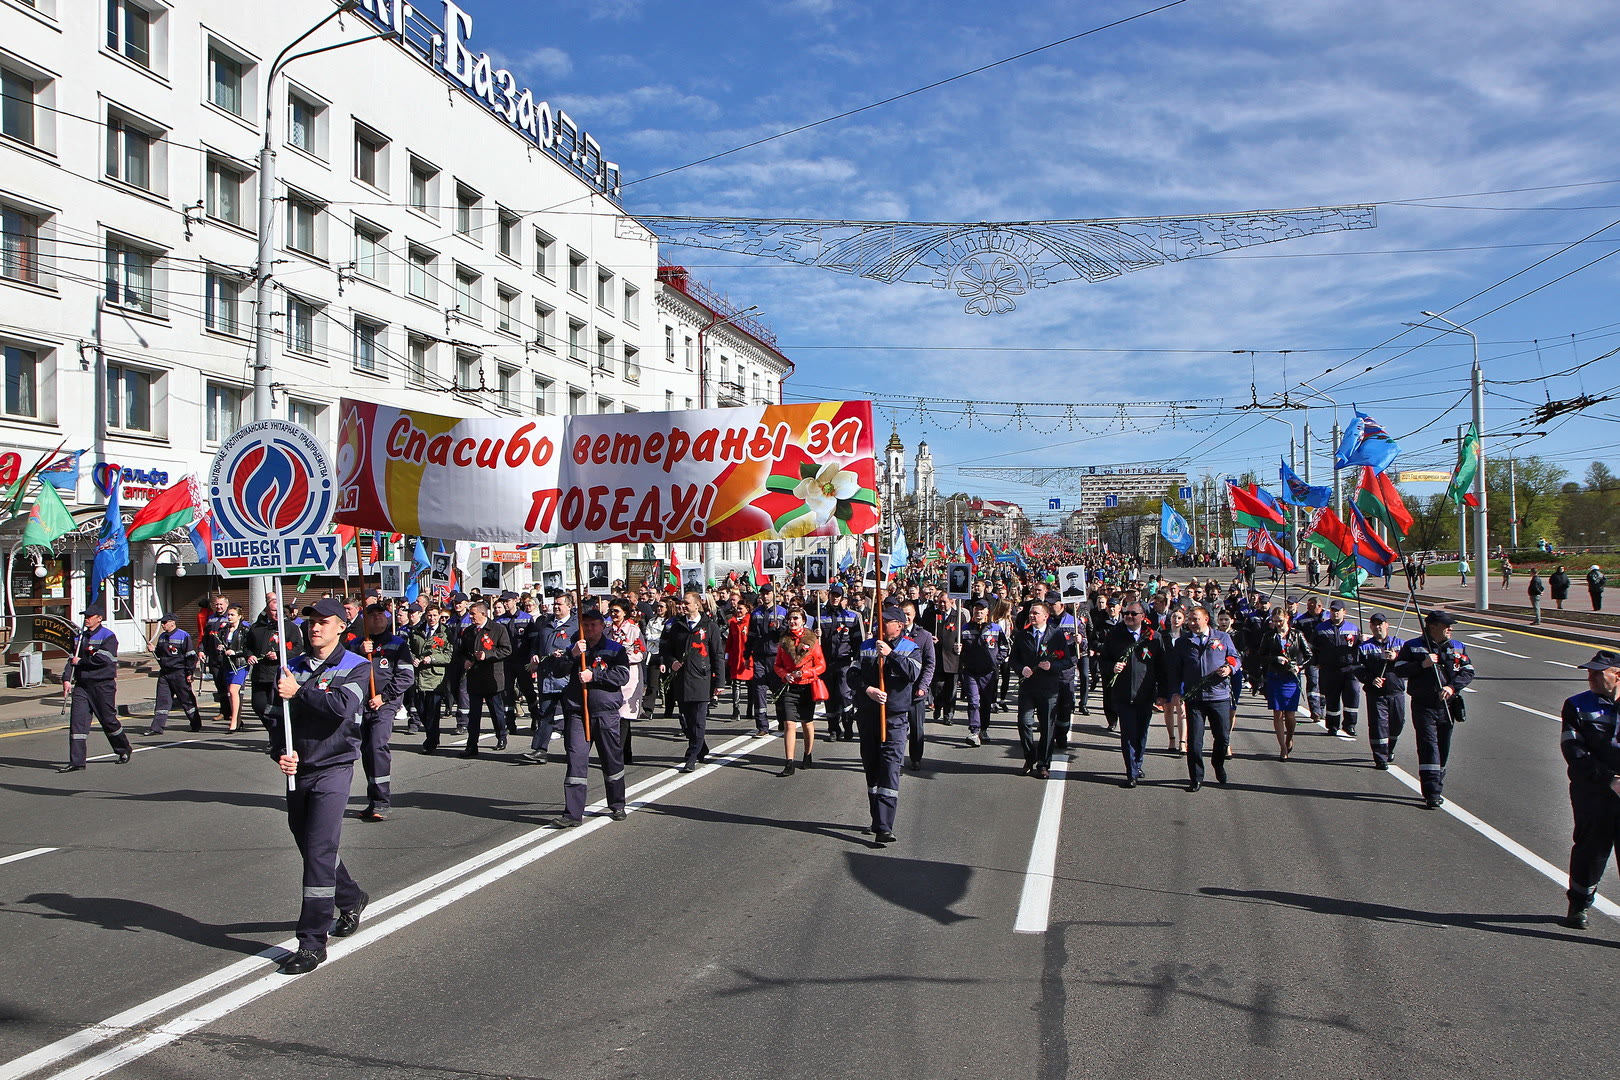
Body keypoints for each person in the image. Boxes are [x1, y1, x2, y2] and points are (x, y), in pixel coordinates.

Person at [272, 597, 372, 976]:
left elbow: (342, 709)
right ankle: (350, 897)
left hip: (334, 767)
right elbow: (276, 720)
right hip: (300, 769)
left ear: (341, 627)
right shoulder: (292, 668)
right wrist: (281, 753)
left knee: (318, 849)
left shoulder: (356, 666)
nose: (315, 627)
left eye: (324, 622)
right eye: (311, 621)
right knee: (309, 844)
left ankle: (311, 942)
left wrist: (299, 691)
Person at [847, 607, 922, 844]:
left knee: (890, 766)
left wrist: (890, 655)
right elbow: (852, 674)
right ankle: (876, 817)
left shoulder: (911, 647)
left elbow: (912, 673)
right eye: (879, 619)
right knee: (872, 766)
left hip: (895, 717)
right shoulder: (866, 646)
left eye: (887, 621)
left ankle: (885, 825)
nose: (881, 624)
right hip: (869, 714)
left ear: (899, 625)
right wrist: (867, 690)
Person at [549, 608, 630, 827]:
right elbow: (557, 671)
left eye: (594, 625)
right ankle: (573, 813)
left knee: (611, 760)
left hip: (605, 712)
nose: (589, 629)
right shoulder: (576, 647)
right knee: (576, 762)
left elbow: (622, 675)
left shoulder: (615, 649)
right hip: (577, 712)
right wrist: (572, 655)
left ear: (602, 626)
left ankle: (617, 803)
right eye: (586, 625)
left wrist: (595, 675)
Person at [1558, 650, 1620, 930]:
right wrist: (1610, 779)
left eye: (1598, 672)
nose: (1591, 677)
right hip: (1592, 792)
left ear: (1617, 675)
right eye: (1590, 672)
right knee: (1590, 850)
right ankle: (1579, 904)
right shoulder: (1577, 705)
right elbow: (1573, 749)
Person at [1393, 611, 1475, 808]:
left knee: (1443, 747)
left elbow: (1468, 670)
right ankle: (1431, 792)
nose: (1450, 629)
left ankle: (1438, 782)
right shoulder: (1413, 646)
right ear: (1432, 627)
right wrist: (1423, 664)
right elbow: (1399, 669)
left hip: (1447, 705)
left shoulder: (1457, 646)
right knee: (1429, 746)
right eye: (1446, 625)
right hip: (1424, 705)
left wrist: (1452, 687)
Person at [350, 602, 414, 820]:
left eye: (381, 614)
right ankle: (372, 799)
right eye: (372, 615)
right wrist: (358, 651)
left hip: (385, 704)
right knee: (367, 751)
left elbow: (406, 676)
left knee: (377, 746)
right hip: (361, 704)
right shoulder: (357, 644)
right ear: (365, 620)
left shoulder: (397, 644)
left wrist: (384, 697)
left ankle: (382, 801)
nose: (377, 618)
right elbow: (342, 666)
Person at [1171, 605, 1240, 791]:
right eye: (1190, 620)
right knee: (1195, 741)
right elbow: (1175, 670)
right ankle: (1196, 778)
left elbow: (1235, 658)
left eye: (1196, 619)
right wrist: (1176, 692)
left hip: (1219, 696)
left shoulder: (1222, 638)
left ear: (1206, 619)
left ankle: (1218, 764)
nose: (1192, 623)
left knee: (1222, 737)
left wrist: (1229, 668)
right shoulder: (1183, 642)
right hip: (1195, 698)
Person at [58, 602, 132, 773]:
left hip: (102, 685)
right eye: (85, 616)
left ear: (99, 619)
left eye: (89, 617)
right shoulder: (79, 637)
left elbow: (104, 660)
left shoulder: (108, 636)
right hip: (82, 686)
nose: (86, 619)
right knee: (77, 723)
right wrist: (67, 679)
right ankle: (77, 761)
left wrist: (81, 662)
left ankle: (123, 749)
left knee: (108, 720)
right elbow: (71, 659)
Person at [1008, 600, 1074, 780]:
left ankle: (1043, 763)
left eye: (1036, 613)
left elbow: (1068, 660)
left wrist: (1052, 665)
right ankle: (1030, 758)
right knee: (1024, 722)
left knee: (1047, 727)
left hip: (1049, 688)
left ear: (1046, 616)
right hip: (1028, 687)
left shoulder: (1056, 635)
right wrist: (1021, 669)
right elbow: (1014, 659)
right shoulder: (1022, 635)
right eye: (1030, 613)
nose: (1032, 616)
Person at [661, 588, 725, 771]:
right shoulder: (676, 626)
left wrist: (719, 682)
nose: (683, 605)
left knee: (698, 720)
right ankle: (701, 747)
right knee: (687, 721)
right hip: (681, 679)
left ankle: (692, 755)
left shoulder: (709, 626)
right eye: (682, 602)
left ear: (697, 605)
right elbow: (667, 649)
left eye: (687, 603)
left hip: (701, 679)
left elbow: (717, 655)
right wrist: (671, 661)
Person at [1101, 603, 1159, 786]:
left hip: (1145, 693)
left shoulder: (1153, 637)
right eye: (1126, 613)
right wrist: (1112, 667)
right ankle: (1131, 772)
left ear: (1142, 616)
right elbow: (1102, 661)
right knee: (1127, 734)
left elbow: (1162, 665)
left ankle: (1137, 763)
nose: (1129, 616)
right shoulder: (1115, 635)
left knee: (1141, 732)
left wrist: (1163, 693)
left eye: (1134, 613)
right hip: (1123, 693)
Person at [520, 594, 577, 765]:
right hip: (547, 678)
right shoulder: (546, 623)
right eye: (555, 604)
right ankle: (540, 750)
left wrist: (567, 654)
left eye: (559, 604)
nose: (556, 607)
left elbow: (582, 648)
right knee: (545, 715)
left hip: (566, 678)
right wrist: (534, 657)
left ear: (569, 606)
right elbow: (535, 646)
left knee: (570, 717)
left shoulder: (575, 626)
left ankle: (573, 751)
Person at [455, 601, 512, 757]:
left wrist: (487, 655)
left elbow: (506, 650)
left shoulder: (498, 629)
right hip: (474, 678)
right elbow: (459, 651)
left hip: (492, 678)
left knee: (496, 712)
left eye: (473, 614)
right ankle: (472, 745)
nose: (471, 617)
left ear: (483, 613)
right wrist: (464, 661)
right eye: (470, 614)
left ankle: (501, 736)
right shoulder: (468, 631)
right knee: (474, 715)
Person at [773, 607, 826, 776]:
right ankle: (789, 762)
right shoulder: (784, 640)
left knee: (806, 722)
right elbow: (777, 665)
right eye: (790, 619)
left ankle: (807, 754)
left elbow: (821, 666)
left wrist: (806, 672)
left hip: (807, 686)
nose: (793, 621)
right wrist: (784, 675)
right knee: (789, 723)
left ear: (803, 620)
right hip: (790, 687)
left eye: (796, 618)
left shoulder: (812, 640)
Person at [1257, 608, 1310, 761]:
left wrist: (1299, 666)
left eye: (1280, 621)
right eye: (1275, 621)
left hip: (1291, 678)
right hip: (1275, 676)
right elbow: (1261, 656)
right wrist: (1275, 659)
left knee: (1290, 715)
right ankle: (1282, 747)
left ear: (1287, 619)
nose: (1278, 624)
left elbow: (1309, 655)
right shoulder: (1269, 635)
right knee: (1278, 712)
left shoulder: (1297, 635)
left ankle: (1290, 737)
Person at [1355, 613, 1405, 770]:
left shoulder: (1400, 644)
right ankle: (1380, 757)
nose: (1378, 627)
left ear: (1386, 625)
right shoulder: (1365, 647)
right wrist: (1371, 679)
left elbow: (1410, 663)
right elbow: (1357, 668)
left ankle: (1390, 749)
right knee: (1378, 725)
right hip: (1376, 693)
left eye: (1381, 624)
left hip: (1396, 691)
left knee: (1397, 723)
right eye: (1374, 624)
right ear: (1370, 626)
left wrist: (1396, 657)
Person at [816, 585, 863, 742]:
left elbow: (857, 641)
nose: (835, 598)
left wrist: (857, 662)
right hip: (827, 662)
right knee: (829, 697)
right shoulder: (820, 616)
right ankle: (833, 729)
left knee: (845, 695)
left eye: (838, 596)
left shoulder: (852, 617)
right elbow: (813, 643)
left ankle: (848, 726)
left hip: (844, 661)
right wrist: (816, 635)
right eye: (833, 595)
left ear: (843, 598)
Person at [1310, 600, 1362, 738]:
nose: (1335, 613)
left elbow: (1360, 648)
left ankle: (1350, 725)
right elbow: (1312, 648)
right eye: (1333, 610)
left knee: (1352, 698)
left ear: (1344, 612)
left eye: (1338, 610)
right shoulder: (1321, 628)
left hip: (1350, 669)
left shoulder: (1353, 628)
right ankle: (1332, 726)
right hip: (1329, 669)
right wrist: (1316, 662)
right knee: (1332, 699)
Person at [143, 612, 201, 736]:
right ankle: (157, 727)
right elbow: (160, 653)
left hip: (179, 673)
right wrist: (154, 649)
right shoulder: (162, 636)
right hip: (165, 673)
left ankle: (195, 723)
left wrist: (190, 673)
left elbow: (191, 656)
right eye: (162, 623)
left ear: (172, 623)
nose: (162, 625)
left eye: (164, 623)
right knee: (162, 700)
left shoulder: (183, 636)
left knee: (186, 700)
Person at [958, 599, 1006, 747]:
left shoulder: (995, 629)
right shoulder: (965, 628)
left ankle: (984, 728)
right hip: (971, 671)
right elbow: (960, 648)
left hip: (989, 672)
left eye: (981, 609)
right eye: (976, 609)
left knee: (986, 702)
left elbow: (1004, 648)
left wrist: (996, 661)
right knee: (973, 701)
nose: (978, 612)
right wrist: (958, 651)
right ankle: (974, 730)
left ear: (987, 612)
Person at [606, 599, 646, 766]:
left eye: (616, 611)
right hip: (611, 675)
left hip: (629, 675)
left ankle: (617, 754)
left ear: (624, 612)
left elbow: (641, 653)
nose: (613, 614)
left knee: (624, 714)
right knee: (618, 715)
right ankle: (626, 753)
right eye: (611, 611)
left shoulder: (633, 630)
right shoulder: (607, 631)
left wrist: (620, 657)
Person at [413, 606, 456, 755]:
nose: (432, 618)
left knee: (433, 712)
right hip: (418, 676)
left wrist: (432, 658)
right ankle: (432, 735)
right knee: (421, 710)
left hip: (435, 677)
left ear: (439, 616)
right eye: (429, 615)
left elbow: (449, 655)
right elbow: (408, 648)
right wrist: (413, 659)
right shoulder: (417, 630)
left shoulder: (445, 633)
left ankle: (431, 740)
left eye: (435, 615)